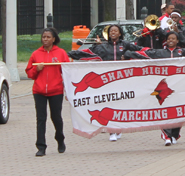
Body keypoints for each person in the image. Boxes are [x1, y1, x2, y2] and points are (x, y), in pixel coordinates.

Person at [124, 31, 185, 145]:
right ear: (166, 41)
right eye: (169, 39)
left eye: (173, 39)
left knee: (179, 111)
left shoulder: (182, 52)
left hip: (179, 87)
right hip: (163, 88)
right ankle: (166, 136)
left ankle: (175, 134)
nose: (171, 40)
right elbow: (143, 54)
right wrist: (128, 53)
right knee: (164, 110)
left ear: (177, 41)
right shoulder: (159, 52)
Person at [68, 24, 143, 141]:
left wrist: (129, 56)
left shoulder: (126, 45)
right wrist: (67, 54)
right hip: (107, 80)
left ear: (119, 33)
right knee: (110, 104)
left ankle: (119, 128)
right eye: (111, 31)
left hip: (122, 79)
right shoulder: (102, 47)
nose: (113, 32)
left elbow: (141, 52)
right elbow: (85, 53)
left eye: (115, 31)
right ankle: (112, 130)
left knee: (121, 105)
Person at [26, 28, 70, 157]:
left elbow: (67, 72)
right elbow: (29, 73)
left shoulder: (61, 53)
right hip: (39, 91)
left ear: (54, 39)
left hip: (56, 90)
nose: (45, 39)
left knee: (56, 117)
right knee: (41, 118)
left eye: (48, 37)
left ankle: (60, 138)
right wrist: (36, 69)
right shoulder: (36, 54)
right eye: (43, 37)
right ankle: (41, 146)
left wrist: (68, 89)